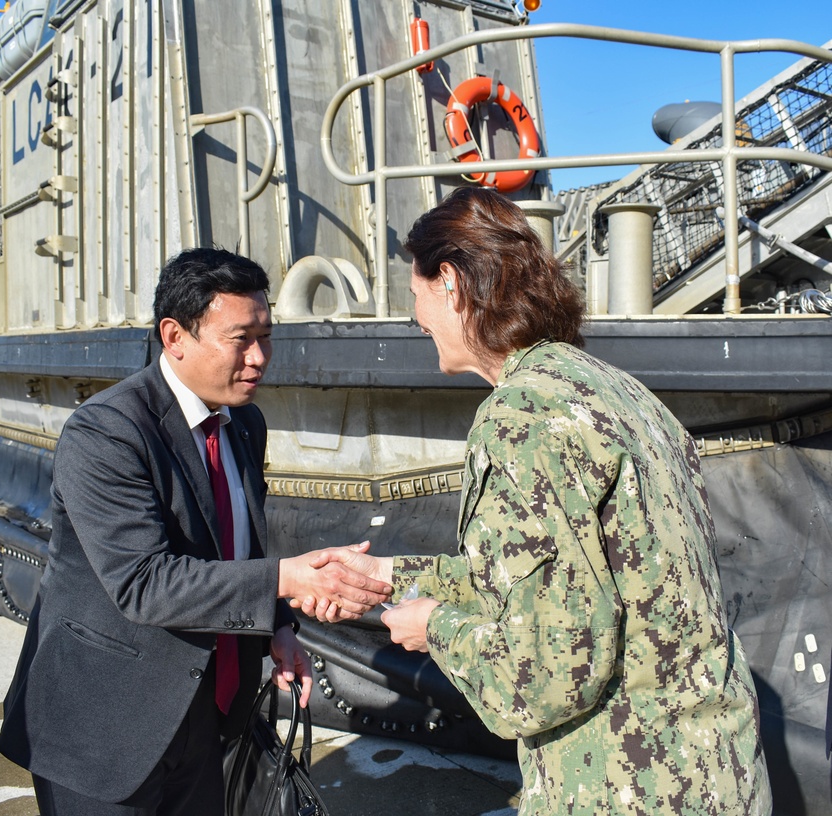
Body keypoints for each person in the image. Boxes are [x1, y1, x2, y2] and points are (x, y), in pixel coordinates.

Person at [305, 188, 772, 814]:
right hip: (715, 771)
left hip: (625, 785)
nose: (414, 315)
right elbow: (554, 576)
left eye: (414, 289)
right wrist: (389, 578)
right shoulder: (611, 391)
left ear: (450, 281)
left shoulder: (520, 419)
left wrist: (434, 628)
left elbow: (548, 676)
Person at [0, 247, 392, 816]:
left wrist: (278, 629)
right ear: (175, 337)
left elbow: (240, 542)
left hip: (206, 714)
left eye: (266, 335)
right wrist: (288, 578)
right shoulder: (106, 434)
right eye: (240, 339)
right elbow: (143, 583)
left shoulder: (243, 422)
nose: (259, 358)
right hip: (106, 732)